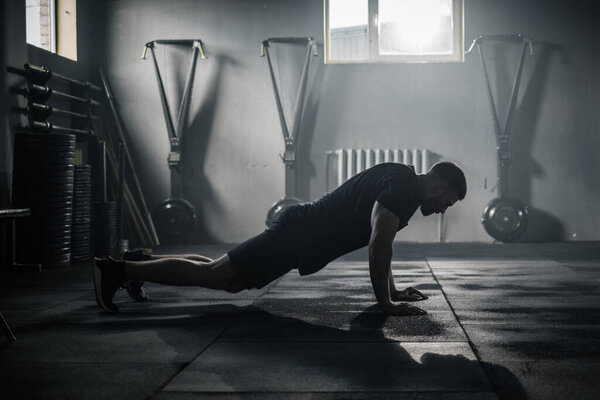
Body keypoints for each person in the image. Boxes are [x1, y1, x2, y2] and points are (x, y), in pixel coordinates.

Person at [93, 161, 466, 315]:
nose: (445, 208)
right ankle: (116, 270)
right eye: (447, 200)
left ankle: (140, 267)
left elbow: (382, 243)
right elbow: (378, 244)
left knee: (228, 278)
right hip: (297, 234)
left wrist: (394, 290)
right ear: (437, 184)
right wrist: (386, 302)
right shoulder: (402, 188)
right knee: (215, 276)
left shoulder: (405, 188)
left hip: (300, 237)